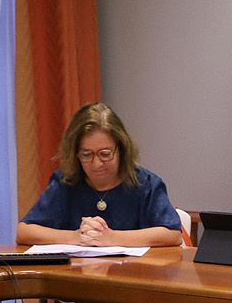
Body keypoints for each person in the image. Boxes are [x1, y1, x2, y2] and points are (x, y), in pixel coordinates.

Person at [17, 102, 182, 248]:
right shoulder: (65, 184)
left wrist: (111, 237)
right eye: (86, 154)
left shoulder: (146, 184)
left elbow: (172, 234)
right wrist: (76, 236)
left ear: (122, 149)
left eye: (105, 154)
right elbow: (24, 232)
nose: (96, 164)